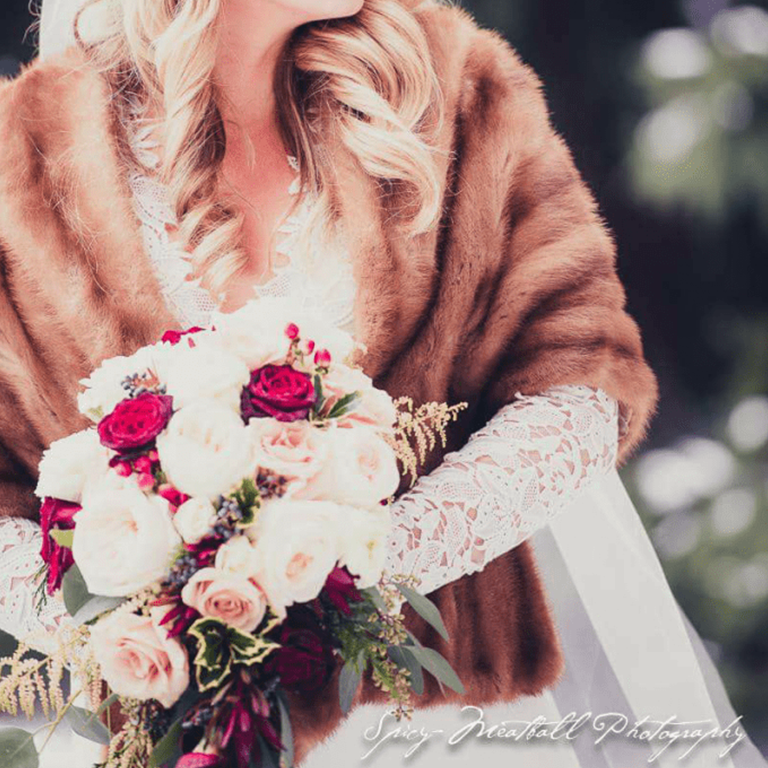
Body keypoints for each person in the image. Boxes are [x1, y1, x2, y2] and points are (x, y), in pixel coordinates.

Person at [0, 0, 764, 766]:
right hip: (169, 727)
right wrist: (125, 602)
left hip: (432, 718)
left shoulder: (456, 88)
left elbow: (581, 385)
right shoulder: (19, 157)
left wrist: (371, 561)